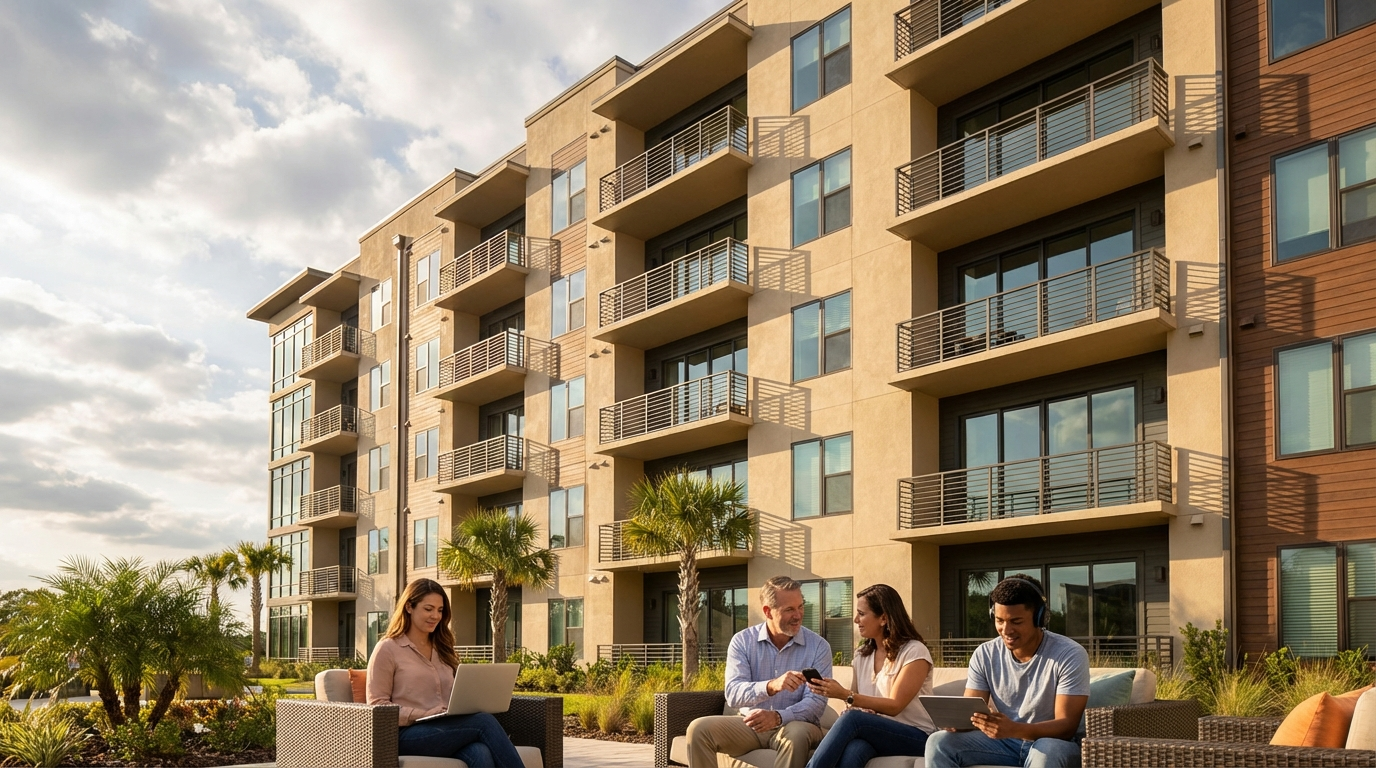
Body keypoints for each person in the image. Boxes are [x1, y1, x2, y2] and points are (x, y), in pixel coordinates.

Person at [925, 574, 1090, 768]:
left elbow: (1066, 726)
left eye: (1016, 621)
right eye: (999, 620)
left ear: (1039, 617)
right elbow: (971, 709)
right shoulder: (985, 654)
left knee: (1047, 753)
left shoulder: (1069, 654)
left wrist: (1015, 729)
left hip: (1052, 742)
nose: (1006, 630)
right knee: (938, 742)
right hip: (1005, 743)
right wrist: (958, 722)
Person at [367, 578, 525, 768]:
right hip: (405, 734)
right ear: (409, 607)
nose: (435, 615)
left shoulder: (443, 648)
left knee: (480, 752)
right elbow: (377, 705)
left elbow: (455, 693)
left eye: (440, 610)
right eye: (428, 609)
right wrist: (422, 714)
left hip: (446, 728)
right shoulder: (388, 648)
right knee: (484, 722)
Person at [685, 576, 833, 768]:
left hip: (795, 724)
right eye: (789, 609)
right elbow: (733, 694)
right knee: (698, 729)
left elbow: (816, 703)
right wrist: (770, 686)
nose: (798, 615)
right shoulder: (743, 641)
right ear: (768, 612)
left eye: (800, 606)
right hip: (750, 725)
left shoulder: (818, 647)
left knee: (796, 735)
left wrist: (778, 716)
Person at [804, 584, 936, 768]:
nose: (856, 619)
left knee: (853, 721)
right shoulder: (861, 655)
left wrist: (844, 695)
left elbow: (894, 705)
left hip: (916, 736)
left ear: (883, 618)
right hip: (876, 732)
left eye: (861, 614)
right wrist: (853, 706)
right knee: (855, 749)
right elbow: (856, 701)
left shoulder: (914, 652)